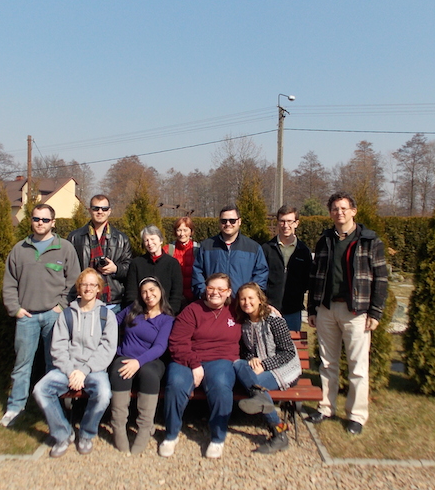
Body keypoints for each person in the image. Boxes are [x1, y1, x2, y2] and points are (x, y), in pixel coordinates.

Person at [306, 191, 388, 435]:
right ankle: (326, 407)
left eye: (343, 208)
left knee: (357, 366)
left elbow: (381, 279)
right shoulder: (325, 241)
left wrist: (375, 311)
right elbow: (315, 277)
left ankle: (356, 415)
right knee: (327, 363)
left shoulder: (370, 241)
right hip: (327, 309)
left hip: (356, 311)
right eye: (334, 209)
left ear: (354, 211)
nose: (338, 212)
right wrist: (312, 308)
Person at [0, 204, 81, 428]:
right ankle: (15, 407)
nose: (41, 223)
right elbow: (9, 283)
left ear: (53, 222)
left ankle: (51, 407)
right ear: (31, 221)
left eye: (45, 220)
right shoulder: (19, 249)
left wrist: (60, 306)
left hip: (54, 317)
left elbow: (74, 282)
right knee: (22, 365)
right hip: (27, 317)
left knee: (54, 364)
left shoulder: (64, 248)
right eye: (37, 219)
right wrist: (15, 309)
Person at [33, 269, 117, 457]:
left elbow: (107, 349)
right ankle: (63, 434)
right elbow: (58, 347)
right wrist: (72, 371)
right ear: (79, 288)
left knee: (104, 394)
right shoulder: (67, 315)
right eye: (84, 284)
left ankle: (86, 434)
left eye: (92, 285)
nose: (88, 288)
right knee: (41, 390)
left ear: (98, 289)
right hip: (67, 369)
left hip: (94, 370)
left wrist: (84, 371)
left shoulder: (106, 316)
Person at [160, 272, 241, 459]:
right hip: (188, 358)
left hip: (221, 359)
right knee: (176, 384)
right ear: (205, 289)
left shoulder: (236, 310)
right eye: (211, 288)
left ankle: (218, 438)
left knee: (221, 386)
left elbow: (255, 306)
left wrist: (269, 308)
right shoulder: (192, 310)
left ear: (228, 292)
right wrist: (194, 364)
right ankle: (171, 434)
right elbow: (177, 341)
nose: (215, 293)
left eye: (221, 289)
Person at [233, 282, 301, 454]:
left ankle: (279, 433)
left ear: (259, 299)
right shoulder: (245, 322)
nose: (246, 302)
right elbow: (245, 351)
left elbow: (288, 352)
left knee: (253, 385)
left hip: (283, 368)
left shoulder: (273, 319)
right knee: (239, 365)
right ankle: (277, 427)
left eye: (250, 298)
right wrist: (252, 359)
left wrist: (264, 365)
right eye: (242, 299)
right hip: (259, 368)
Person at [109, 277, 175, 455]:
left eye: (152, 290)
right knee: (119, 372)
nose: (149, 295)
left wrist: (138, 362)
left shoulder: (166, 319)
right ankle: (118, 426)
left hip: (151, 360)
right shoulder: (133, 310)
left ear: (160, 291)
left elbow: (160, 347)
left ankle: (145, 427)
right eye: (144, 291)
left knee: (149, 374)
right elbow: (112, 322)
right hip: (125, 356)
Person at [67, 194, 133, 312]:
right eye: (96, 208)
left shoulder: (122, 239)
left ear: (109, 211)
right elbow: (68, 270)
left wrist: (116, 269)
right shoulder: (74, 237)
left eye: (104, 209)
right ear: (89, 210)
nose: (100, 212)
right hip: (83, 300)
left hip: (112, 302)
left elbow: (130, 269)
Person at [191, 205, 268, 299]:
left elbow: (261, 275)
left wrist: (250, 297)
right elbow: (197, 273)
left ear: (239, 221)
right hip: (213, 304)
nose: (228, 224)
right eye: (224, 221)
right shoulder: (207, 246)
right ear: (219, 222)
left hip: (241, 306)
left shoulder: (253, 248)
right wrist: (204, 294)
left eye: (232, 220)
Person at [262, 205, 312, 331]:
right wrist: (265, 304)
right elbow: (260, 279)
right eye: (282, 221)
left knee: (290, 348)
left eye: (290, 221)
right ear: (278, 222)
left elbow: (308, 282)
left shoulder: (304, 252)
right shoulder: (266, 249)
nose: (285, 225)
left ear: (296, 223)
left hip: (293, 312)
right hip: (269, 310)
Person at [124, 225, 184, 314]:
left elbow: (176, 293)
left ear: (160, 240)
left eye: (152, 239)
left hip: (166, 314)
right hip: (142, 314)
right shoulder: (136, 263)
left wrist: (169, 313)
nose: (149, 243)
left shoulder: (172, 263)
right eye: (146, 240)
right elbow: (131, 292)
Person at [168, 216, 199, 305]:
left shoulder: (198, 250)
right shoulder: (168, 250)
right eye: (179, 230)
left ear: (191, 231)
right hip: (174, 299)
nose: (182, 234)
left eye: (185, 230)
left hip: (194, 298)